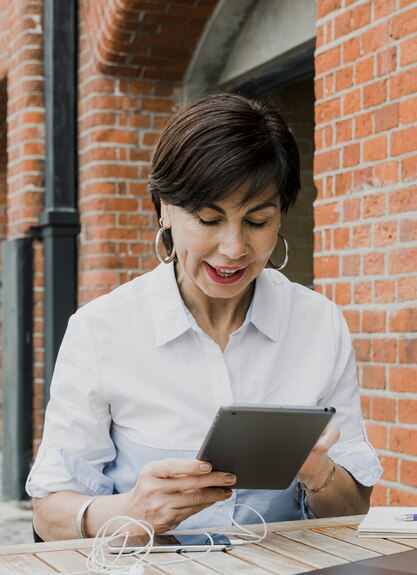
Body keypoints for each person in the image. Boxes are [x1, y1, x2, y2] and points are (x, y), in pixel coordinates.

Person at [27, 93, 382, 541]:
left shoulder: (319, 324)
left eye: (257, 222)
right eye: (208, 219)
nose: (234, 249)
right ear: (165, 210)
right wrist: (132, 510)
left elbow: (354, 511)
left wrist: (315, 469)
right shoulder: (101, 330)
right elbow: (49, 514)